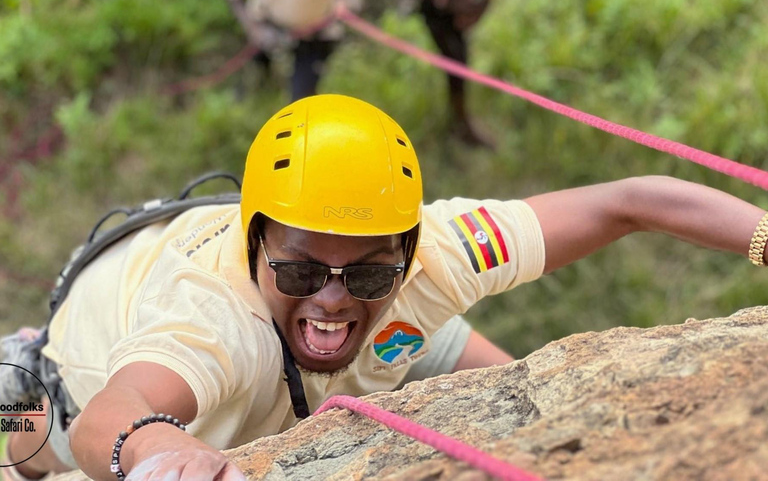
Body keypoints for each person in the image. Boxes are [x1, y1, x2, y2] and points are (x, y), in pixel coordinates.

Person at [4, 94, 768, 480]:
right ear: (254, 243)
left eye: (369, 271)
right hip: (57, 388)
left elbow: (631, 202)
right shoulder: (212, 322)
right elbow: (114, 411)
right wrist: (166, 452)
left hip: (354, 343)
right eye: (302, 268)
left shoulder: (439, 253)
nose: (334, 295)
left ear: (410, 249)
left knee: (490, 381)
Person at [392, 0, 501, 149]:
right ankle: (460, 122)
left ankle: (460, 121)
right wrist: (444, 0)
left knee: (458, 58)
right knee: (455, 59)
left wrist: (483, 1)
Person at [219, 0, 360, 103]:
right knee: (253, 72)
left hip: (315, 35)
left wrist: (344, 2)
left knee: (302, 99)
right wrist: (254, 29)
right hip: (267, 27)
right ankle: (250, 97)